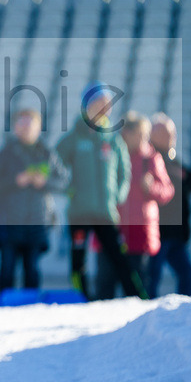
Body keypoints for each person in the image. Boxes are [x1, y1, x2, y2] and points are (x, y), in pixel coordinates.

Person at [56, 81, 145, 299]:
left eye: (106, 103)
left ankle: (137, 298)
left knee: (118, 256)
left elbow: (125, 172)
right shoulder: (74, 138)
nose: (103, 107)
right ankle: (82, 299)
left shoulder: (114, 139)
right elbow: (53, 166)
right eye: (98, 102)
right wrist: (68, 189)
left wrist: (117, 196)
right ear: (86, 105)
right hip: (79, 211)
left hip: (106, 211)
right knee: (78, 259)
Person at [0, 108, 69, 293]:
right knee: (6, 270)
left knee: (32, 270)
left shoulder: (47, 153)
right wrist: (15, 180)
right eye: (21, 124)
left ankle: (31, 310)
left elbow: (63, 182)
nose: (26, 128)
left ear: (39, 128)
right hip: (9, 221)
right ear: (15, 127)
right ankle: (3, 308)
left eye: (30, 124)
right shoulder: (6, 152)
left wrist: (44, 182)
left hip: (37, 221)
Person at [96, 112, 173, 299]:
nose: (142, 139)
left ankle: (139, 325)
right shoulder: (110, 154)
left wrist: (151, 187)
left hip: (140, 231)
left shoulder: (151, 158)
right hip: (112, 227)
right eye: (137, 134)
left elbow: (167, 191)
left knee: (138, 285)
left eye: (144, 135)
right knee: (106, 282)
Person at [147, 114, 191, 296]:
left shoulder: (175, 162)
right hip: (158, 232)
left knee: (186, 274)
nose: (170, 137)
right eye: (166, 133)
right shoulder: (149, 159)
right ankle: (146, 312)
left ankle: (181, 310)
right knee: (152, 276)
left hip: (177, 233)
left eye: (171, 133)